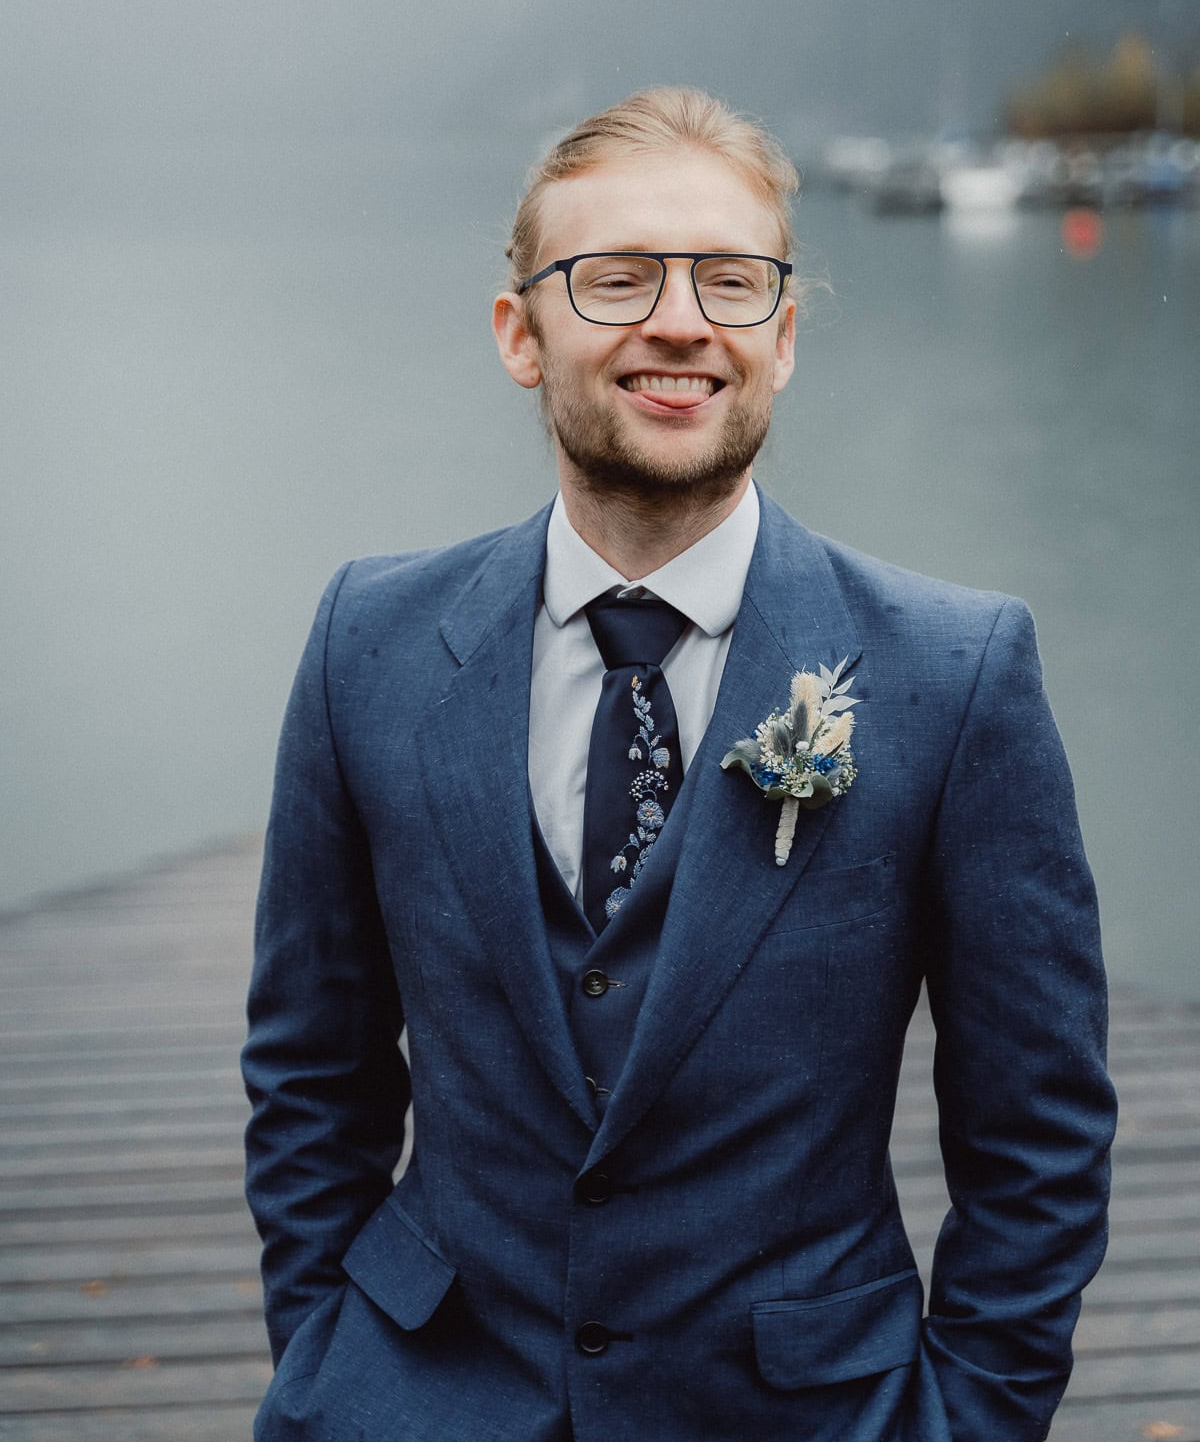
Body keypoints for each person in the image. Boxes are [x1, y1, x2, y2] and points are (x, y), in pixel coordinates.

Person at [242, 87, 1116, 1442]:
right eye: (617, 278)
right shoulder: (372, 639)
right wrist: (325, 1354)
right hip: (418, 1394)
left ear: (782, 336)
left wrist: (976, 1420)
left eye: (729, 278)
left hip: (814, 1413)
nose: (679, 318)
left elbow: (1038, 1128)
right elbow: (312, 1071)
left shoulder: (958, 674)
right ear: (519, 334)